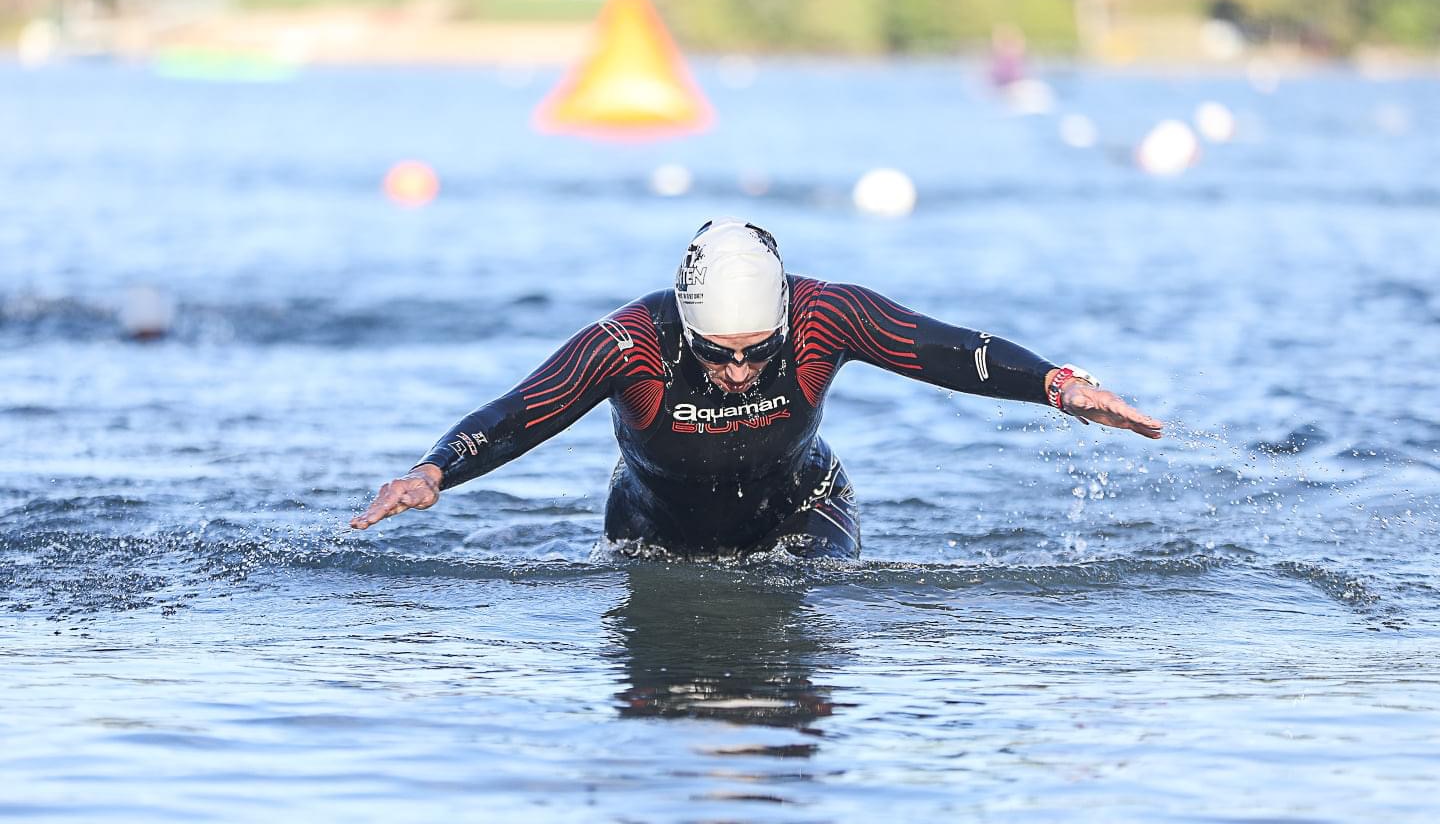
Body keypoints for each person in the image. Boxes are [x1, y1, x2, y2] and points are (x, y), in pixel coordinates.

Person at [351, 219, 1162, 558]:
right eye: (717, 354)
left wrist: (1057, 383)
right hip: (653, 523)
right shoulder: (628, 344)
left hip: (802, 508)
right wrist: (434, 470)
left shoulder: (825, 315)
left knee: (807, 609)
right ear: (686, 325)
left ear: (782, 318)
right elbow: (521, 412)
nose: (739, 373)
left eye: (756, 352)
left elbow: (944, 349)